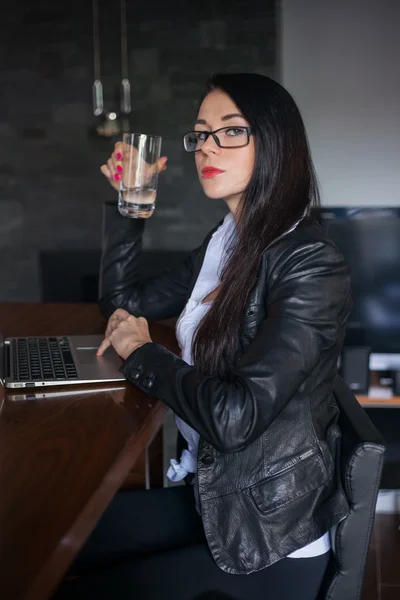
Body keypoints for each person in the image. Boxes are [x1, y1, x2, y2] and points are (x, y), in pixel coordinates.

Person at [53, 73, 352, 600]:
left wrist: (141, 351)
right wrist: (131, 201)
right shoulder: (230, 240)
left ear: (276, 142)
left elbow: (235, 419)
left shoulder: (309, 263)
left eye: (231, 131)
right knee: (58, 538)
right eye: (200, 134)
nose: (207, 147)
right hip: (212, 493)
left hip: (263, 535)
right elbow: (127, 303)